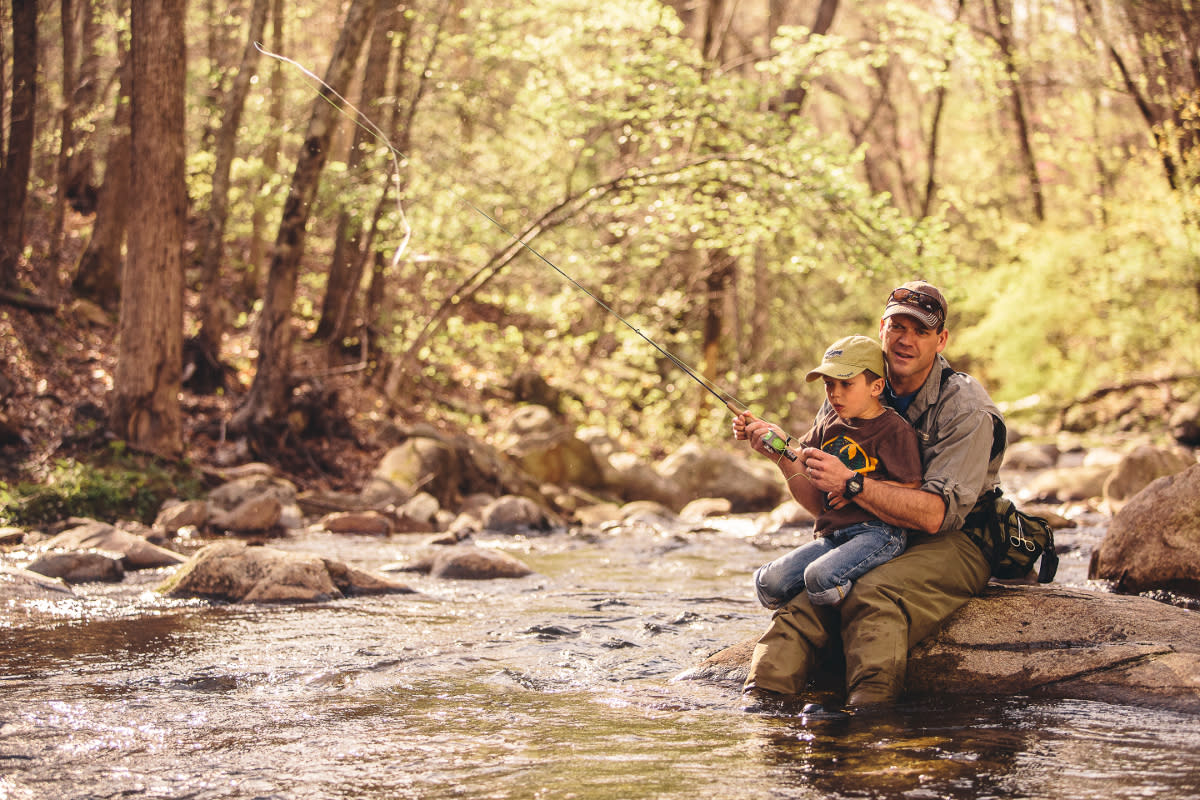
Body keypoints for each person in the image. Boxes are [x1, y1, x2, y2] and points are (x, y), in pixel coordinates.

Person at [734, 280, 1006, 710]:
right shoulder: (849, 385)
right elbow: (819, 502)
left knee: (872, 591)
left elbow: (935, 515)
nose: (906, 340)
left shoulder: (966, 407)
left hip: (956, 537)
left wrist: (852, 484)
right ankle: (762, 707)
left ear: (941, 340)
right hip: (871, 527)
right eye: (898, 327)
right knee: (808, 594)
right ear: (882, 328)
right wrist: (782, 454)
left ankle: (871, 721)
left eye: (921, 331)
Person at [749, 334, 922, 610]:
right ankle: (828, 591)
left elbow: (913, 488)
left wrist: (853, 487)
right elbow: (800, 455)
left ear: (876, 386)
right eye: (829, 384)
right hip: (833, 534)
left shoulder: (894, 429)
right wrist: (772, 439)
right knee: (768, 582)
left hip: (878, 534)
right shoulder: (830, 420)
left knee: (819, 576)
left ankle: (836, 606)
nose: (835, 393)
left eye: (846, 384)